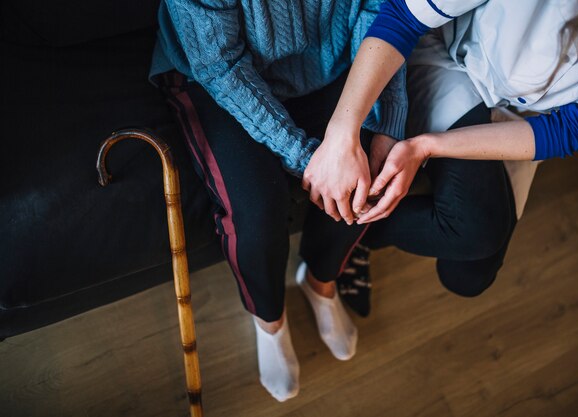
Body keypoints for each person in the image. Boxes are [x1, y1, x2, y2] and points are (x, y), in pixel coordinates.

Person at [149, 0, 408, 402]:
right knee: (258, 211)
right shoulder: (215, 64)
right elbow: (219, 65)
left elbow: (384, 10)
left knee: (369, 174)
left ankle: (321, 281)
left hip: (333, 61)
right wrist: (310, 160)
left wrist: (384, 120)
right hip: (216, 73)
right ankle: (269, 320)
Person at [304, 0, 578, 310]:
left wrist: (426, 146)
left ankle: (354, 236)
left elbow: (570, 130)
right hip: (449, 58)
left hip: (525, 116)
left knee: (468, 278)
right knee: (476, 230)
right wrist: (341, 136)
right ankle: (342, 242)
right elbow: (402, 16)